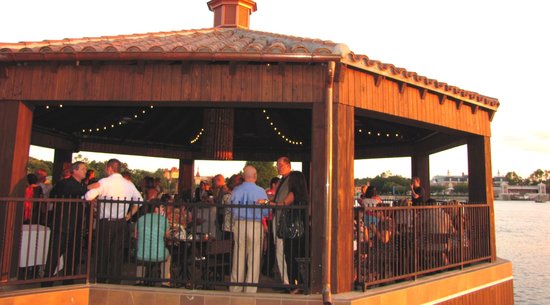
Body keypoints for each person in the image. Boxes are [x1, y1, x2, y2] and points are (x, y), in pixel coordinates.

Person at [84, 158, 143, 283]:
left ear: (109, 168)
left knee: (102, 251)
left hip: (106, 222)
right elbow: (140, 201)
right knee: (117, 253)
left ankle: (101, 278)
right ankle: (115, 280)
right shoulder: (129, 184)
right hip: (121, 222)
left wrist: (89, 187)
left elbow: (88, 196)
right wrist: (129, 215)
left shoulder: (105, 182)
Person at [43, 161, 88, 286]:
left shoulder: (81, 186)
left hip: (76, 226)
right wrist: (88, 188)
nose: (85, 171)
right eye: (83, 169)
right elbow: (55, 194)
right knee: (54, 254)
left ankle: (68, 281)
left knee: (72, 256)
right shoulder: (65, 183)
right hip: (62, 224)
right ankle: (46, 282)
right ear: (74, 170)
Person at [229, 165, 269, 293]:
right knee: (254, 257)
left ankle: (235, 287)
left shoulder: (236, 190)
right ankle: (250, 289)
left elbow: (230, 207)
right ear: (255, 176)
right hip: (255, 225)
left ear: (243, 176)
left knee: (238, 255)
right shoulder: (261, 191)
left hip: (240, 223)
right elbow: (267, 212)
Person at [272, 156, 309, 293]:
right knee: (289, 254)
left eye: (280, 165)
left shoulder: (293, 191)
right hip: (293, 225)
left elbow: (283, 203)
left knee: (289, 254)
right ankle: (295, 283)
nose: (278, 167)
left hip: (289, 226)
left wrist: (270, 203)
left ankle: (296, 284)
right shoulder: (298, 193)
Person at [135, 203, 171, 287]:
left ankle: (139, 280)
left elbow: (136, 236)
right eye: (162, 207)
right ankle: (165, 282)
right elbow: (167, 235)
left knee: (141, 256)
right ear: (156, 209)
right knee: (168, 256)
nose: (163, 209)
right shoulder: (163, 220)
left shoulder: (140, 219)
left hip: (142, 253)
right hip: (159, 254)